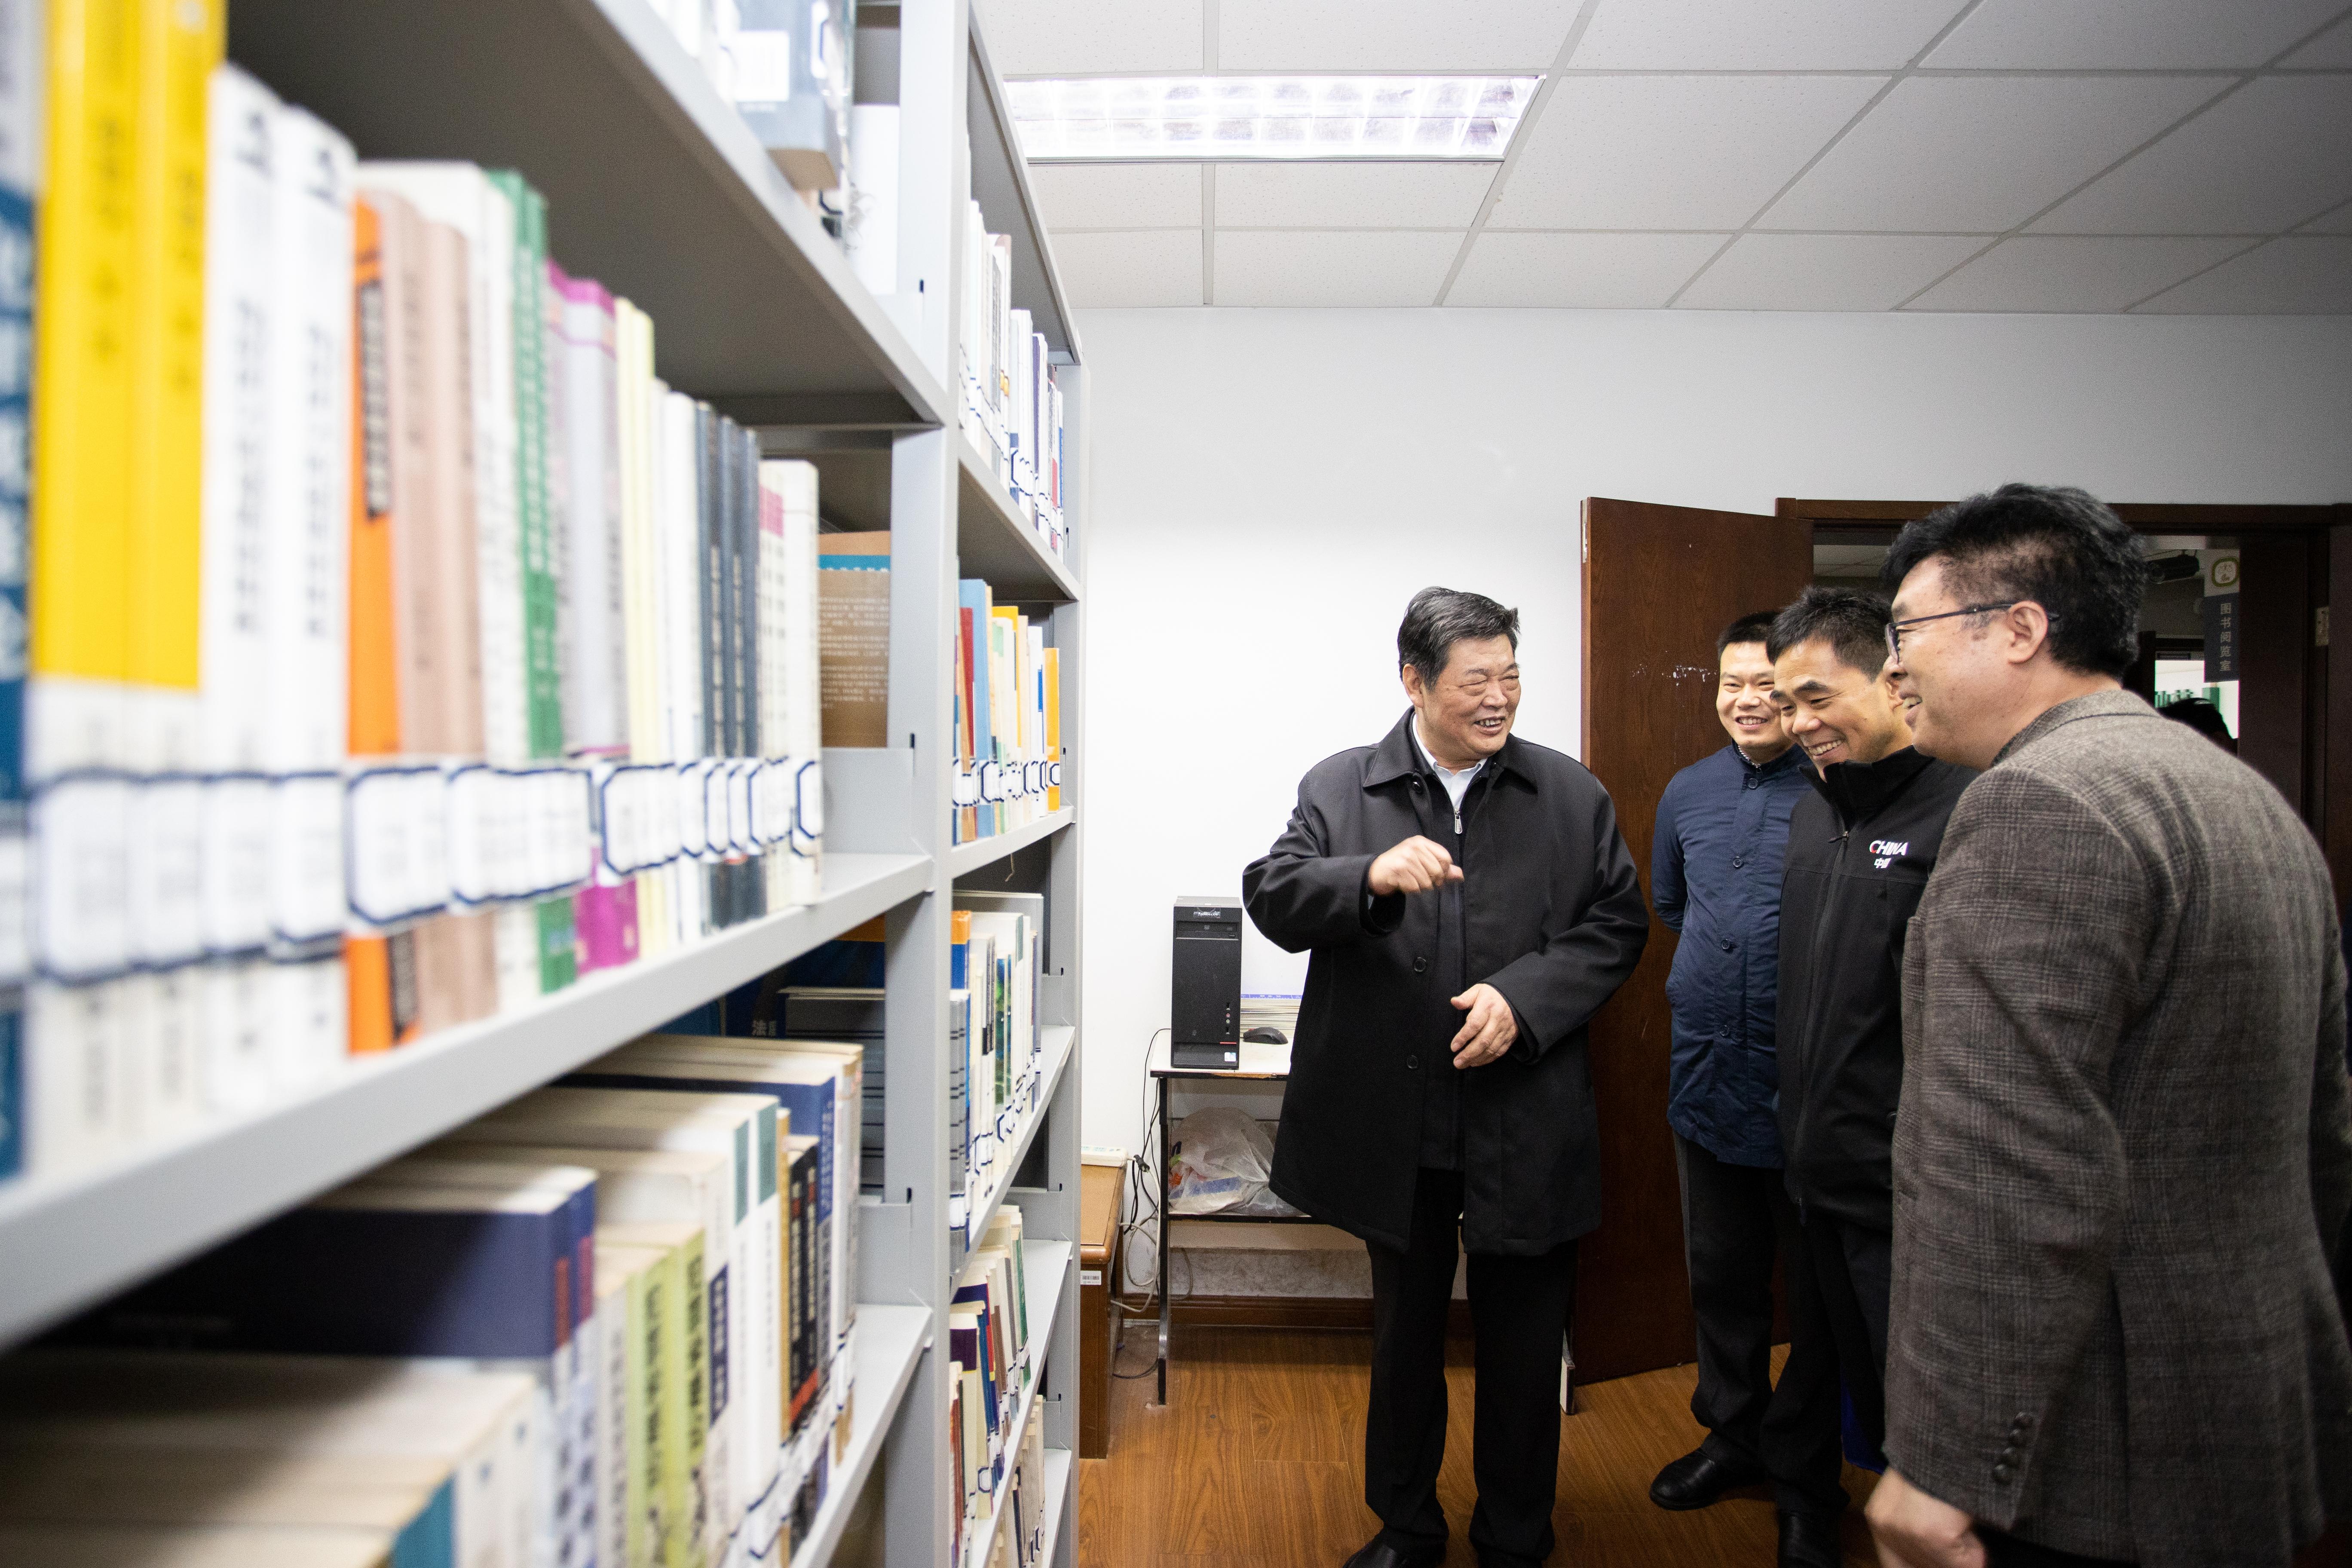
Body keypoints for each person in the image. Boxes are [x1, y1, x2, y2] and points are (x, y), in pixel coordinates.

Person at [1863, 484, 2352, 1568]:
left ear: (2020, 628)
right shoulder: (2244, 797)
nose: (1892, 670)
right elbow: (2324, 1134)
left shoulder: (2040, 804)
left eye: (1906, 633)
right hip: (2243, 1392)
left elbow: (2009, 1169)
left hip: (2101, 1436)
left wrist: (1947, 1461)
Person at [1243, 586, 1649, 1568]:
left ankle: (1516, 1533)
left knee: (1525, 1345)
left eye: (1511, 677)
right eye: (1476, 681)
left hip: (1525, 1117)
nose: (1499, 699)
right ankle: (1406, 1526)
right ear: (1416, 682)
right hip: (1400, 1124)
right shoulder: (1343, 787)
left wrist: (1525, 1000)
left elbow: (1617, 924)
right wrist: (1366, 879)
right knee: (1405, 1339)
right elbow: (1274, 894)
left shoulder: (1570, 794)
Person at [1647, 610, 1846, 1566]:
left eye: (1767, 684)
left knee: (1817, 1299)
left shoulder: (1840, 788)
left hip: (1811, 1091)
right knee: (1721, 1278)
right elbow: (1672, 905)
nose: (1747, 701)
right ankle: (1733, 1438)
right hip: (1707, 1075)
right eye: (1731, 684)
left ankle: (1808, 1482)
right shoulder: (1688, 791)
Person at [1765, 588, 1974, 1487]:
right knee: (1829, 1374)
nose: (1798, 724)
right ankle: (1808, 1515)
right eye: (1788, 704)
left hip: (1906, 1190)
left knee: (1923, 1427)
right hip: (1815, 1172)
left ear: (1894, 681)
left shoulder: (1967, 807)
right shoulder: (1815, 809)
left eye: (1817, 698)